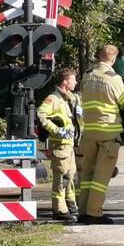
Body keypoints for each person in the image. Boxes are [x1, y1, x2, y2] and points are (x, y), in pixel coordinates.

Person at [77, 44, 124, 224]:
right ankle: (94, 212)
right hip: (108, 131)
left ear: (99, 56)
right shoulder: (113, 78)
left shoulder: (87, 75)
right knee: (101, 175)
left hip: (89, 130)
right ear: (113, 59)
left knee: (87, 173)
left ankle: (83, 211)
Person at [37, 68, 81, 222]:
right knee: (61, 178)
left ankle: (70, 205)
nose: (75, 82)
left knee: (70, 176)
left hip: (69, 145)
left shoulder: (70, 98)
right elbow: (41, 114)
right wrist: (57, 130)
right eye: (73, 79)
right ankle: (60, 210)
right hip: (60, 145)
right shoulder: (53, 98)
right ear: (65, 81)